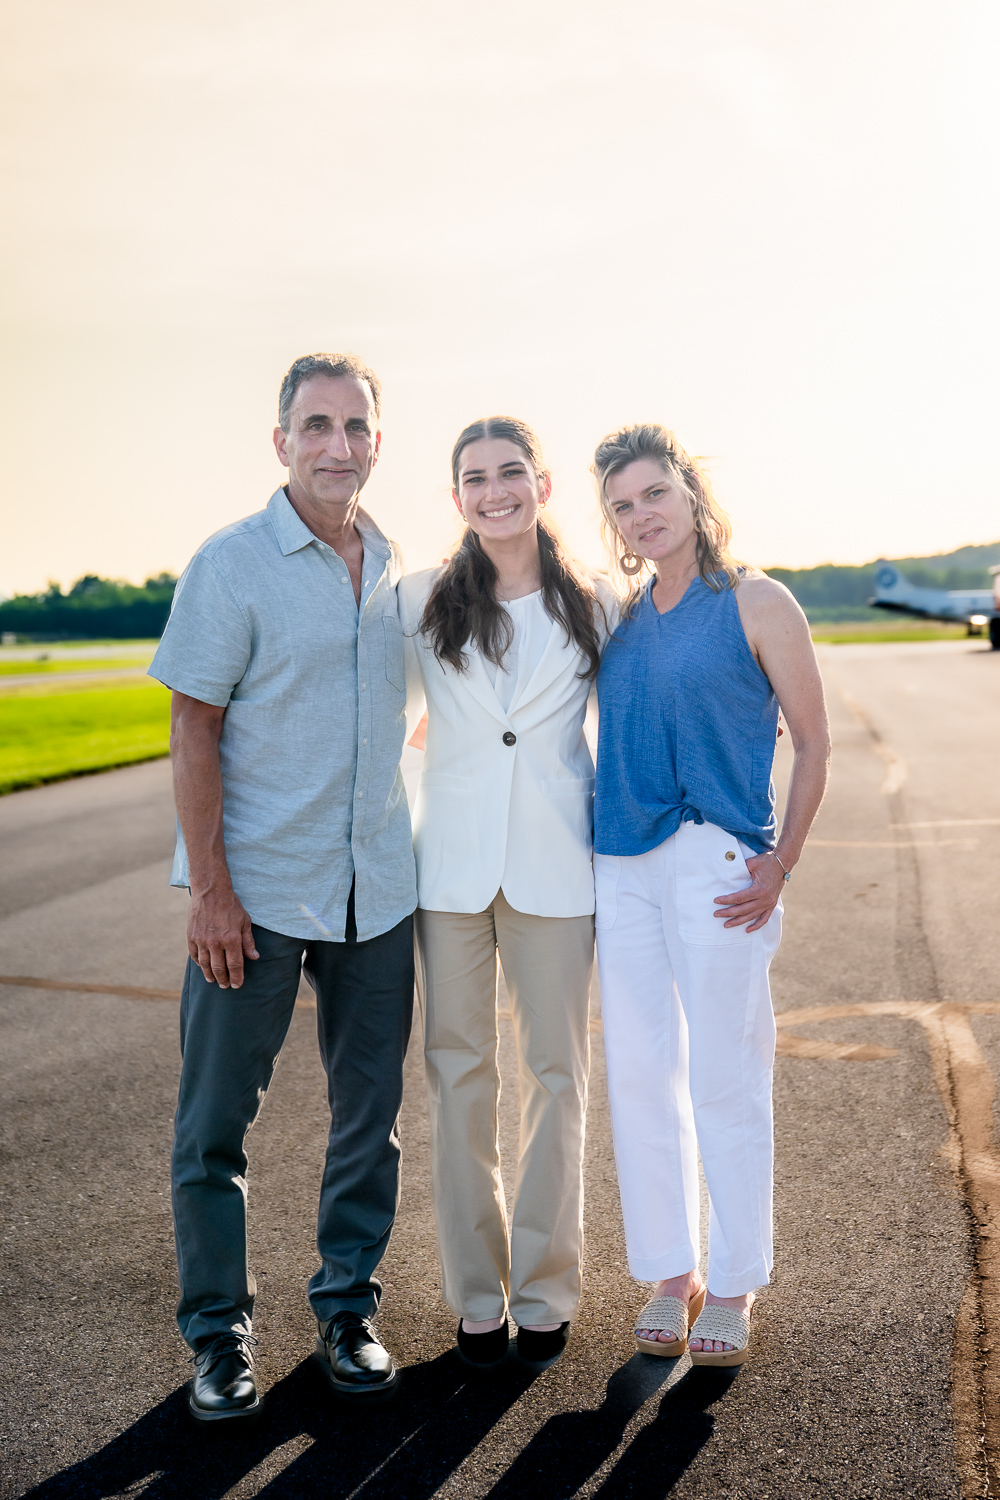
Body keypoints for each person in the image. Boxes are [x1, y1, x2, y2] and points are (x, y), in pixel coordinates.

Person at [148, 353, 416, 1420]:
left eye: (355, 427)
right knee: (212, 1128)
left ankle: (347, 1308)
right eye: (316, 425)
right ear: (281, 442)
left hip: (377, 893)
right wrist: (209, 891)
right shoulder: (232, 562)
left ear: (377, 444)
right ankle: (218, 1337)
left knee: (370, 1119)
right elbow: (191, 728)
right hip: (251, 898)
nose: (336, 445)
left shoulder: (401, 568)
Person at [591, 423, 830, 1366]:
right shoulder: (618, 616)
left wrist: (782, 861)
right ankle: (669, 1273)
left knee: (727, 1079)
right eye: (621, 504)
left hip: (722, 866)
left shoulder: (758, 601)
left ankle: (732, 1285)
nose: (641, 514)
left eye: (654, 494)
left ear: (690, 496)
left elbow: (812, 744)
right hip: (624, 866)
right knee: (643, 1075)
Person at [398, 417, 614, 1370]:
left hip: (557, 871)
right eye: (475, 478)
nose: (496, 491)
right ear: (456, 499)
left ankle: (546, 1288)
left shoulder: (598, 604)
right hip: (448, 872)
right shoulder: (417, 601)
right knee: (458, 1079)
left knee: (557, 1081)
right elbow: (373, 713)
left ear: (543, 483)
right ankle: (475, 1295)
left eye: (511, 473)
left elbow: (638, 722)